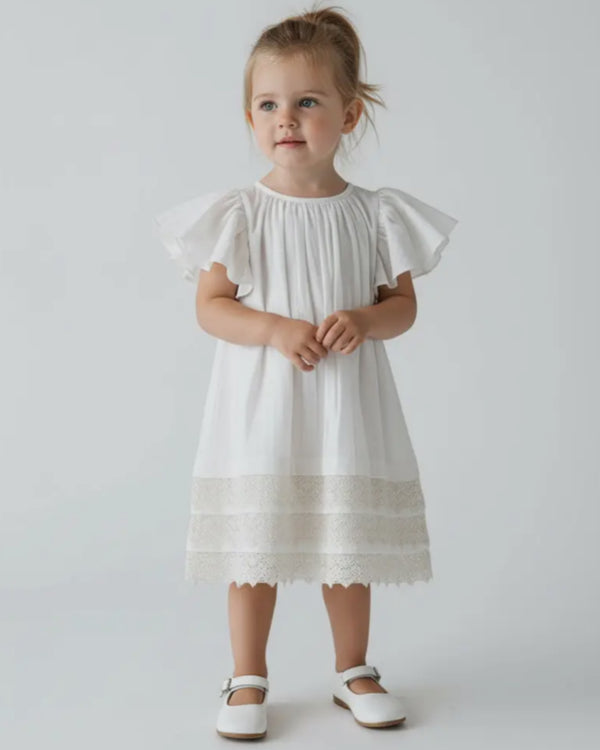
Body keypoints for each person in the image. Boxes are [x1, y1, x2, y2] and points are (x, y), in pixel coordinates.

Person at [154, 2, 458, 740]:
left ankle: (353, 669)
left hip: (345, 403)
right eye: (268, 105)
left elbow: (403, 307)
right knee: (255, 544)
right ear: (249, 117)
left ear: (349, 115)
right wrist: (273, 328)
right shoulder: (241, 213)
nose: (285, 119)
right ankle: (247, 675)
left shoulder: (373, 214)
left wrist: (364, 319)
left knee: (344, 544)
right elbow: (211, 307)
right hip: (263, 405)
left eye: (307, 102)